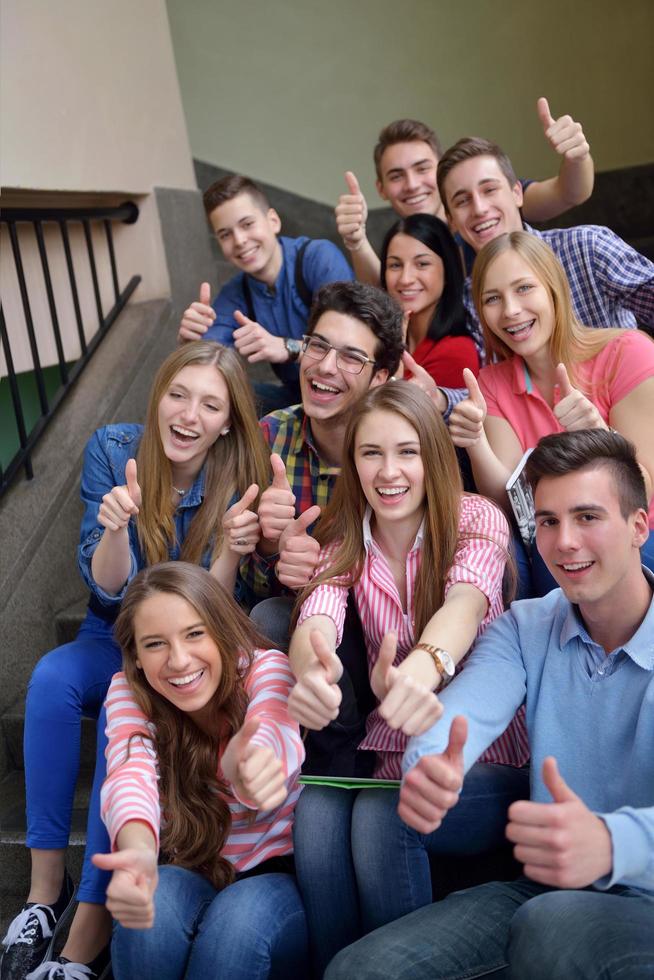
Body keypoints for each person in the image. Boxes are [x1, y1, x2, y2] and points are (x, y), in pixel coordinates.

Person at [326, 429, 654, 980]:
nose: (565, 542)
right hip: (545, 888)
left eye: (588, 517)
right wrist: (431, 763)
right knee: (356, 971)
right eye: (548, 521)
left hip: (641, 897)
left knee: (548, 926)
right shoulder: (527, 625)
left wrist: (610, 841)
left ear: (639, 527)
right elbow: (466, 711)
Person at [0, 343, 270, 980]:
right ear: (157, 397)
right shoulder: (113, 448)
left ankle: (90, 921)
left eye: (210, 404)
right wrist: (117, 527)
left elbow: (214, 617)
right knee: (51, 680)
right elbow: (104, 590)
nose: (188, 414)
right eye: (178, 395)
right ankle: (44, 896)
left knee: (130, 702)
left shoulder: (239, 472)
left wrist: (232, 549)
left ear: (229, 420)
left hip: (181, 647)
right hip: (112, 632)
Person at [288, 383, 529, 974]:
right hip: (392, 755)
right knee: (315, 816)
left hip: (482, 760)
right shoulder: (343, 539)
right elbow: (315, 617)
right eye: (371, 453)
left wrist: (421, 668)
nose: (389, 471)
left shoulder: (476, 518)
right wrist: (313, 674)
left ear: (433, 456)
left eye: (407, 451)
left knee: (379, 816)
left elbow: (466, 604)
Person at [92, 562, 307, 980]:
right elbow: (129, 774)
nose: (179, 660)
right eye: (155, 644)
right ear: (135, 655)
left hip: (278, 877)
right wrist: (136, 851)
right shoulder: (128, 691)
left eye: (194, 634)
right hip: (193, 866)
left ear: (222, 630)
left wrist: (255, 770)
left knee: (234, 929)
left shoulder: (265, 669)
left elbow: (277, 734)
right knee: (146, 920)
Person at [448, 231, 654, 588]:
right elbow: (510, 503)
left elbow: (646, 490)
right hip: (552, 546)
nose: (511, 310)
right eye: (493, 298)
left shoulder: (628, 352)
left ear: (554, 288)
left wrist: (601, 440)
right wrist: (475, 440)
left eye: (524, 288)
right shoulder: (492, 383)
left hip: (636, 536)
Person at [335, 99, 594, 287]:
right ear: (381, 189)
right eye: (396, 176)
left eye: (422, 168)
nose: (412, 184)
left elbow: (568, 193)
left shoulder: (490, 201)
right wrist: (356, 241)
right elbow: (389, 296)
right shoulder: (404, 242)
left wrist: (577, 157)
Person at [436, 136, 654, 352]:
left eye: (490, 190)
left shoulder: (587, 247)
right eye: (462, 201)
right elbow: (489, 380)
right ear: (451, 220)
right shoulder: (470, 296)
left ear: (517, 194)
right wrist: (438, 390)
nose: (479, 209)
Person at [178, 174, 353, 414]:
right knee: (221, 395)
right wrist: (190, 345)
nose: (239, 240)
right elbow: (208, 364)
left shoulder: (318, 258)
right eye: (225, 234)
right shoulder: (235, 293)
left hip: (346, 393)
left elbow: (349, 350)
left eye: (247, 224)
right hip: (297, 396)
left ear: (273, 221)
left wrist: (287, 348)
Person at [380, 213, 479, 388]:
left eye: (422, 264)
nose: (405, 279)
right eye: (395, 265)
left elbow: (393, 412)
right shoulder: (382, 340)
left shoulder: (456, 352)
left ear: (448, 270)